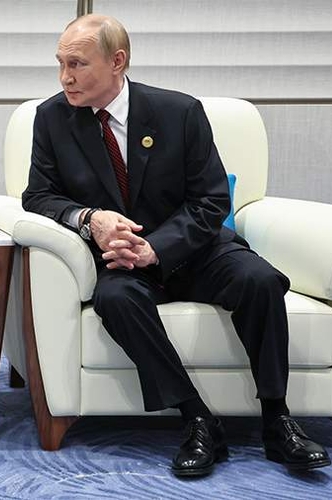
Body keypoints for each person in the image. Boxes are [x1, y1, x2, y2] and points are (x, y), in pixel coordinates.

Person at [22, 14, 329, 477]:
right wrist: (89, 219)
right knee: (115, 300)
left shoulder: (179, 112)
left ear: (117, 62)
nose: (65, 76)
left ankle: (277, 419)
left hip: (196, 250)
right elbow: (38, 196)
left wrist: (157, 248)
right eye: (60, 63)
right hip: (121, 262)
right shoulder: (52, 118)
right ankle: (197, 419)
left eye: (77, 64)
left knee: (261, 280)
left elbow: (211, 200)